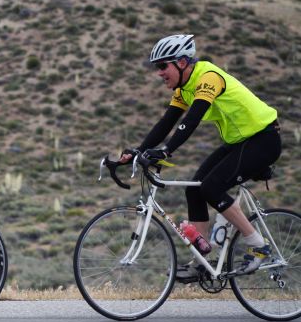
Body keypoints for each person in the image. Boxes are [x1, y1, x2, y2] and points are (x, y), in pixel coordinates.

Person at [120, 34, 281, 280]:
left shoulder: (208, 77)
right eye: (157, 67)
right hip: (240, 142)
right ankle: (203, 261)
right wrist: (138, 150)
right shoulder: (184, 89)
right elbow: (167, 122)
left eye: (163, 66)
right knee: (194, 190)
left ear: (182, 63)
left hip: (263, 138)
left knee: (212, 187)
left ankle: (258, 244)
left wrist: (166, 151)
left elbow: (192, 120)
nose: (159, 73)